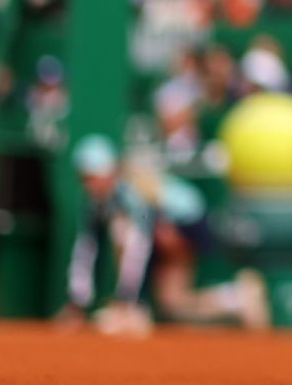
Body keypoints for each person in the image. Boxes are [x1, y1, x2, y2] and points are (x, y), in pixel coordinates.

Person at [57, 136, 267, 334]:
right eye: (84, 179)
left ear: (110, 172)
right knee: (172, 302)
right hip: (172, 226)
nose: (90, 185)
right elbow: (86, 249)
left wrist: (126, 301)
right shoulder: (96, 202)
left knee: (123, 232)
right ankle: (238, 298)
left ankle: (131, 309)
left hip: (186, 225)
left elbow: (137, 243)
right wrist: (78, 302)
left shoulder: (130, 194)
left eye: (94, 177)